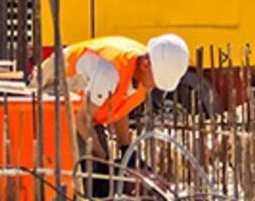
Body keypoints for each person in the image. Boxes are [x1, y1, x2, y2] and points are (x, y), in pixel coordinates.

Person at [46, 34, 190, 165]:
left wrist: (126, 150)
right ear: (145, 64)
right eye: (157, 80)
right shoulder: (109, 73)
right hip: (53, 91)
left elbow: (119, 109)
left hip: (84, 110)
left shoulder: (141, 73)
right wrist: (103, 160)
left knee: (99, 164)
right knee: (85, 170)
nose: (156, 86)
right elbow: (82, 120)